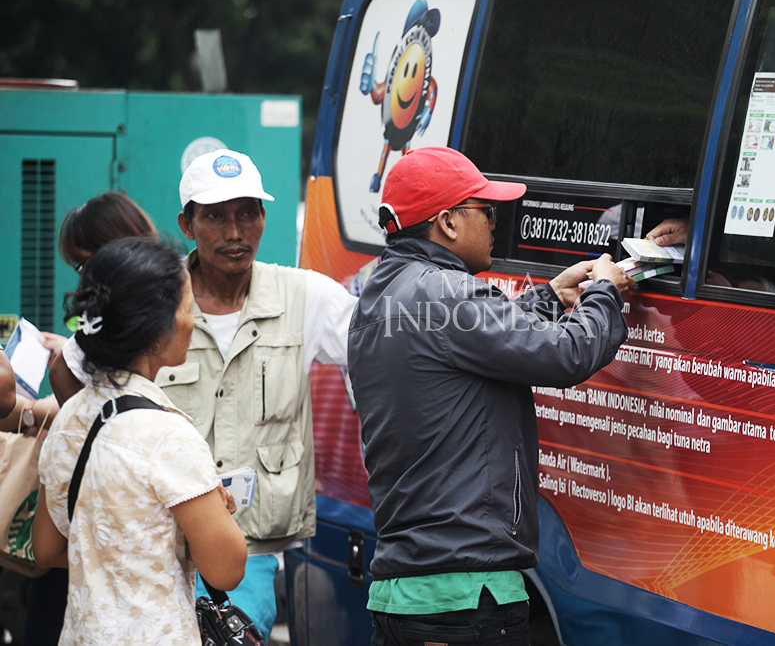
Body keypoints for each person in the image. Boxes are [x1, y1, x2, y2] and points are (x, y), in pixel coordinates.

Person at [347, 147, 632, 646]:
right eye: (487, 211)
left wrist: (546, 298)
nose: (497, 223)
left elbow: (469, 347)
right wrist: (604, 291)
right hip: (467, 597)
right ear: (449, 222)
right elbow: (567, 354)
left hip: (402, 593)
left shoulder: (378, 296)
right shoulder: (450, 293)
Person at [156, 148, 358, 637]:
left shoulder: (304, 296)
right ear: (187, 224)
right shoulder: (155, 301)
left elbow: (386, 348)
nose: (234, 232)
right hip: (159, 551)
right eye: (215, 217)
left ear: (265, 217)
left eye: (248, 213)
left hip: (252, 556)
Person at [32, 237, 248, 645]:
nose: (194, 319)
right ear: (154, 334)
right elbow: (227, 570)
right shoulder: (167, 436)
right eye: (187, 308)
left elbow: (46, 549)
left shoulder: (69, 418)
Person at [49, 192, 160, 406]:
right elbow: (60, 373)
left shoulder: (177, 301)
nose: (86, 278)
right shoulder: (93, 334)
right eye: (80, 267)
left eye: (90, 264)